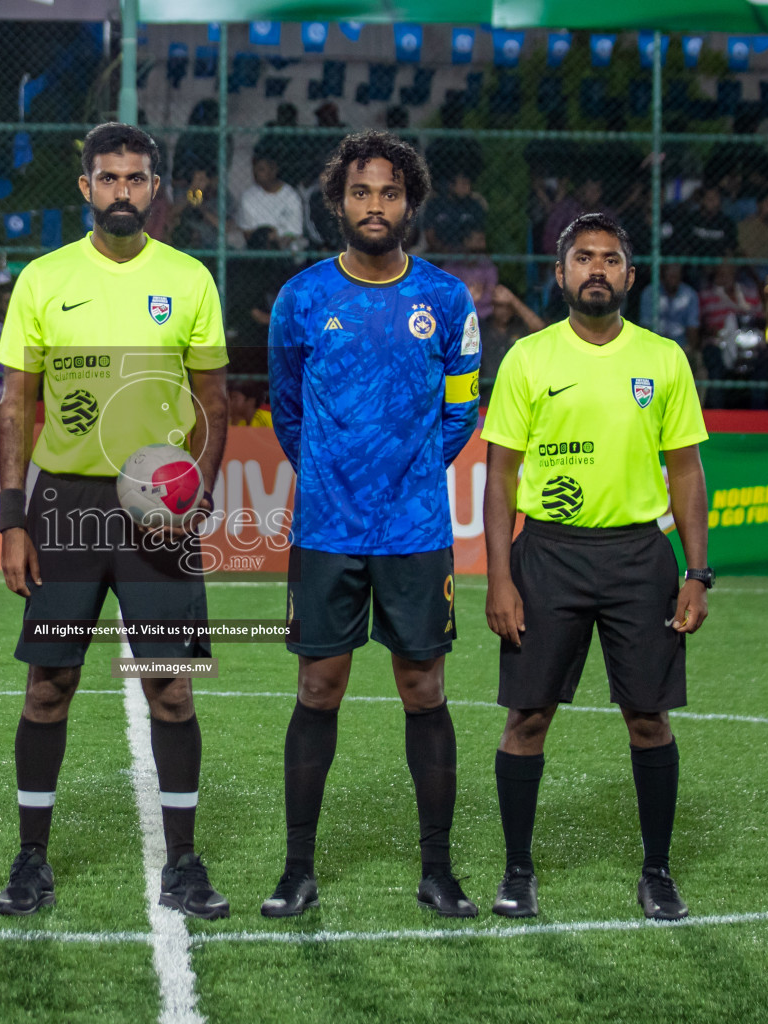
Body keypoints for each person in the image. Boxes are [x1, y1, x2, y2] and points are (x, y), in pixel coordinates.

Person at [0, 122, 230, 920]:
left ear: (154, 188)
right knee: (48, 687)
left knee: (171, 690)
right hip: (63, 507)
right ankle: (30, 860)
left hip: (159, 505)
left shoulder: (191, 279)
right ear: (86, 188)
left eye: (135, 178)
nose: (121, 190)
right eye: (108, 178)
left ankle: (185, 862)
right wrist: (13, 519)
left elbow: (217, 400)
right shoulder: (43, 279)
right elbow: (17, 408)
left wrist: (196, 492)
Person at [259, 130, 480, 920]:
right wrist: (329, 468)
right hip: (327, 528)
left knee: (424, 687)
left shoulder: (448, 301)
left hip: (416, 530)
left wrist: (412, 468)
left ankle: (438, 871)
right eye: (361, 193)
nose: (375, 205)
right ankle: (297, 870)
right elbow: (286, 406)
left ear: (410, 203)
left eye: (389, 193)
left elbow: (463, 407)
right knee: (319, 686)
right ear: (338, 203)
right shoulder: (303, 298)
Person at [480, 212, 712, 922]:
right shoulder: (529, 359)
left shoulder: (663, 360)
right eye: (584, 258)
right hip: (546, 554)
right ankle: (518, 872)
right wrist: (499, 577)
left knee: (649, 719)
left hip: (639, 557)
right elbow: (499, 478)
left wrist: (696, 573)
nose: (598, 269)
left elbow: (687, 473)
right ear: (561, 274)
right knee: (527, 719)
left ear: (630, 276)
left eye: (611, 259)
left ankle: (658, 872)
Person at [480, 283, 544, 402]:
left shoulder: (520, 327)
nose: (503, 311)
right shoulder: (482, 327)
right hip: (486, 397)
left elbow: (542, 330)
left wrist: (513, 300)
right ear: (493, 306)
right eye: (499, 306)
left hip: (517, 395)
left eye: (507, 306)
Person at [237, 150, 304, 248]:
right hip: (257, 248)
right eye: (254, 168)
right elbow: (247, 232)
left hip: (285, 249)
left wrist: (278, 243)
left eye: (261, 169)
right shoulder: (248, 197)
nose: (255, 173)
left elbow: (294, 232)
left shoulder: (291, 196)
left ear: (274, 170)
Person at [638, 262, 701, 357]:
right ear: (663, 275)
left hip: (681, 345)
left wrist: (691, 349)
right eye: (670, 276)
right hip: (656, 344)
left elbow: (692, 326)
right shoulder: (650, 293)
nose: (673, 279)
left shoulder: (690, 294)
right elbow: (645, 325)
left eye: (676, 276)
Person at [424, 173, 488, 253]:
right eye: (463, 184)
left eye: (468, 184)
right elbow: (429, 234)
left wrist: (463, 250)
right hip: (440, 252)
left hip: (468, 253)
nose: (467, 188)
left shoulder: (475, 205)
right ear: (451, 186)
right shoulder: (435, 204)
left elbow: (479, 236)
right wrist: (443, 249)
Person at [669, 184, 737, 259]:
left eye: (715, 198)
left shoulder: (726, 222)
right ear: (701, 200)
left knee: (726, 266)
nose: (712, 202)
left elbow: (730, 247)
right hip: (694, 259)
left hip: (717, 259)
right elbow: (683, 244)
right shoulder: (691, 219)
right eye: (709, 198)